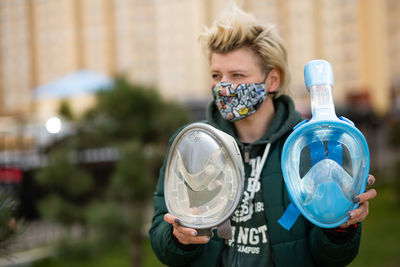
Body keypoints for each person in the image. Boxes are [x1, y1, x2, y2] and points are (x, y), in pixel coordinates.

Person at [149, 4, 377, 267]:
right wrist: (178, 239)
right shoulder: (192, 144)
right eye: (216, 75)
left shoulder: (310, 146)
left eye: (237, 75)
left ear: (272, 81)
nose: (224, 86)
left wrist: (340, 224)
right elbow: (161, 242)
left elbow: (332, 257)